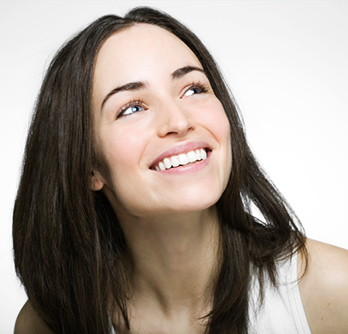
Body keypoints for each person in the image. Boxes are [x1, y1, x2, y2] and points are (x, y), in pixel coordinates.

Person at [13, 6, 348, 334]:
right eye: (132, 108)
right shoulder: (47, 322)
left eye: (193, 89)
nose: (179, 121)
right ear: (88, 167)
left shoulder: (335, 290)